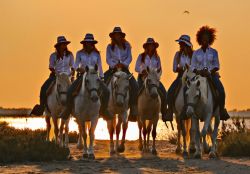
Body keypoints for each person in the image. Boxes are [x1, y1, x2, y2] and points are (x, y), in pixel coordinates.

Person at [59, 33, 112, 120]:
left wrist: (102, 78)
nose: (88, 44)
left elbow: (100, 66)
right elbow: (75, 65)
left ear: (93, 44)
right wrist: (80, 69)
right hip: (82, 76)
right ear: (84, 43)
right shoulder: (79, 53)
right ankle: (67, 110)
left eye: (90, 43)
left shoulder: (97, 54)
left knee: (106, 91)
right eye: (87, 42)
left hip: (94, 77)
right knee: (70, 91)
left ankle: (104, 110)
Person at [191, 26, 230, 120]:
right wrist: (199, 71)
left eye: (207, 37)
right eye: (203, 37)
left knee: (221, 91)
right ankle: (187, 109)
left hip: (211, 75)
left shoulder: (214, 52)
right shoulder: (196, 53)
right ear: (200, 39)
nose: (205, 39)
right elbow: (192, 66)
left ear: (210, 39)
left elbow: (217, 65)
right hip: (198, 76)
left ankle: (221, 111)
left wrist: (209, 71)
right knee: (188, 90)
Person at [30, 36, 75, 116]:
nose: (64, 46)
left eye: (65, 44)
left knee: (76, 90)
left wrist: (72, 75)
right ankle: (42, 107)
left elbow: (73, 66)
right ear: (58, 46)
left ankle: (74, 109)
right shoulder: (53, 56)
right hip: (55, 76)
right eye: (62, 44)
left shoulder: (70, 55)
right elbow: (51, 67)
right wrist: (56, 73)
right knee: (43, 88)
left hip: (67, 77)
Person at [104, 26, 139, 121]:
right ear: (113, 36)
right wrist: (114, 65)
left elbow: (129, 57)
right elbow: (108, 58)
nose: (117, 36)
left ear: (121, 36)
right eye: (116, 35)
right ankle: (103, 109)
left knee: (135, 86)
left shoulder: (127, 45)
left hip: (124, 70)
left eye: (119, 35)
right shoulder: (109, 47)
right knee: (102, 84)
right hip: (113, 70)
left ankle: (133, 109)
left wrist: (123, 64)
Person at [135, 38, 167, 119]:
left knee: (164, 92)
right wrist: (142, 71)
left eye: (152, 45)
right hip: (142, 77)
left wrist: (157, 77)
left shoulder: (157, 57)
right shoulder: (141, 56)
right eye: (149, 45)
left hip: (154, 79)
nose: (151, 47)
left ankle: (164, 112)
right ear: (146, 46)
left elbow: (160, 69)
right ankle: (134, 111)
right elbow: (136, 68)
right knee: (136, 91)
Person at [163, 35, 193, 122]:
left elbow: (196, 66)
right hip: (180, 76)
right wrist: (181, 68)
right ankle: (170, 111)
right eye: (180, 44)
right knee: (169, 92)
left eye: (181, 44)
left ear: (186, 45)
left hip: (191, 77)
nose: (180, 45)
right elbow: (174, 68)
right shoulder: (178, 54)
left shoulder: (194, 55)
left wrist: (189, 68)